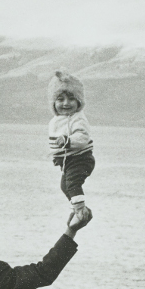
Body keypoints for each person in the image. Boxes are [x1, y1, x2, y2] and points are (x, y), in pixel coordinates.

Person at [47, 70, 95, 222]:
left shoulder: (78, 119)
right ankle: (77, 207)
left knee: (73, 183)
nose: (66, 103)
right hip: (69, 161)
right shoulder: (57, 120)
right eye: (60, 99)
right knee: (64, 186)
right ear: (53, 103)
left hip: (81, 159)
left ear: (79, 102)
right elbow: (56, 144)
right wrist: (57, 157)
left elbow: (82, 137)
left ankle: (81, 210)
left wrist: (68, 141)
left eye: (71, 99)